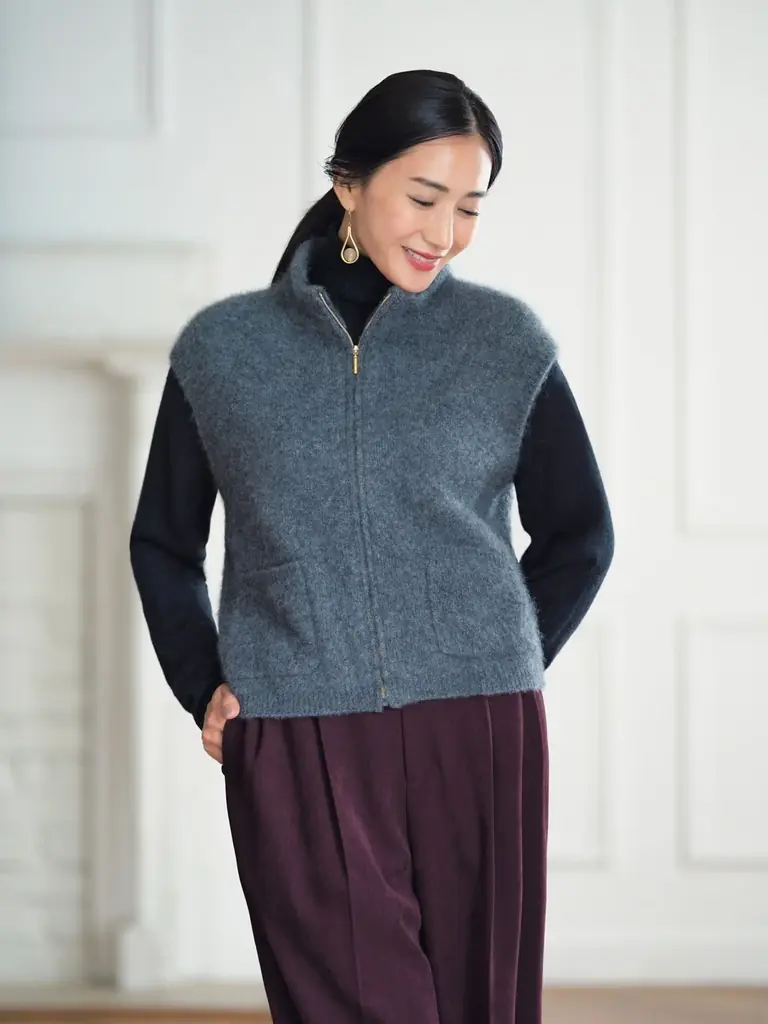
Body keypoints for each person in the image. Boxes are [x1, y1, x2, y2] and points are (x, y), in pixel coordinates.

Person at [130, 68, 614, 1024]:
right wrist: (204, 683)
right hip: (297, 731)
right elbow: (164, 543)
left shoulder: (504, 343)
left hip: (477, 729)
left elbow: (581, 535)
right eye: (424, 198)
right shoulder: (224, 353)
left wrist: (498, 653)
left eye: (469, 207)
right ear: (348, 183)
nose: (445, 233)